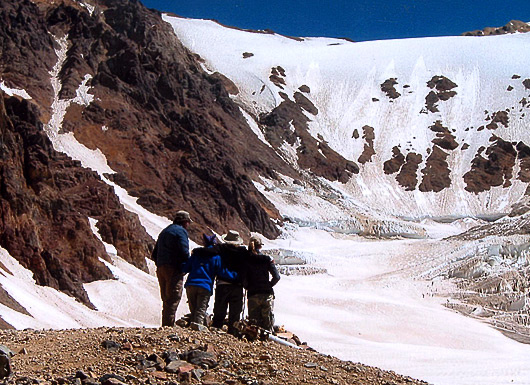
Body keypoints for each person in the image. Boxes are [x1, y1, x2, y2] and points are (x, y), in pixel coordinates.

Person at [182, 234, 237, 326]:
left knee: (193, 309)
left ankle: (192, 331)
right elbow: (221, 271)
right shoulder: (216, 257)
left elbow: (185, 268)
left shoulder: (196, 254)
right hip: (205, 286)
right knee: (200, 310)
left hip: (191, 284)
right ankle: (196, 332)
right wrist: (235, 276)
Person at [151, 210, 192, 327]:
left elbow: (154, 253)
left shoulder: (165, 231)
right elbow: (184, 251)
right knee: (173, 298)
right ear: (185, 222)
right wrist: (187, 265)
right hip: (174, 268)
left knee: (165, 298)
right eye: (188, 222)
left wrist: (161, 263)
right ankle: (168, 327)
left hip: (161, 267)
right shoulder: (181, 232)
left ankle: (166, 324)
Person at [211, 230, 247, 335]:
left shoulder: (221, 250)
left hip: (223, 283)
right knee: (235, 312)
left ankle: (216, 328)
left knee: (220, 308)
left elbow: (209, 251)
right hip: (237, 285)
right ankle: (233, 332)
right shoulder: (243, 252)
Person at [243, 236, 280, 332]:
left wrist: (248, 287)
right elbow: (277, 277)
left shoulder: (246, 259)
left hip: (253, 294)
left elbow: (243, 278)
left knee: (254, 325)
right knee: (267, 323)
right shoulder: (266, 259)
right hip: (266, 294)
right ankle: (267, 343)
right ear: (260, 246)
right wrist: (268, 285)